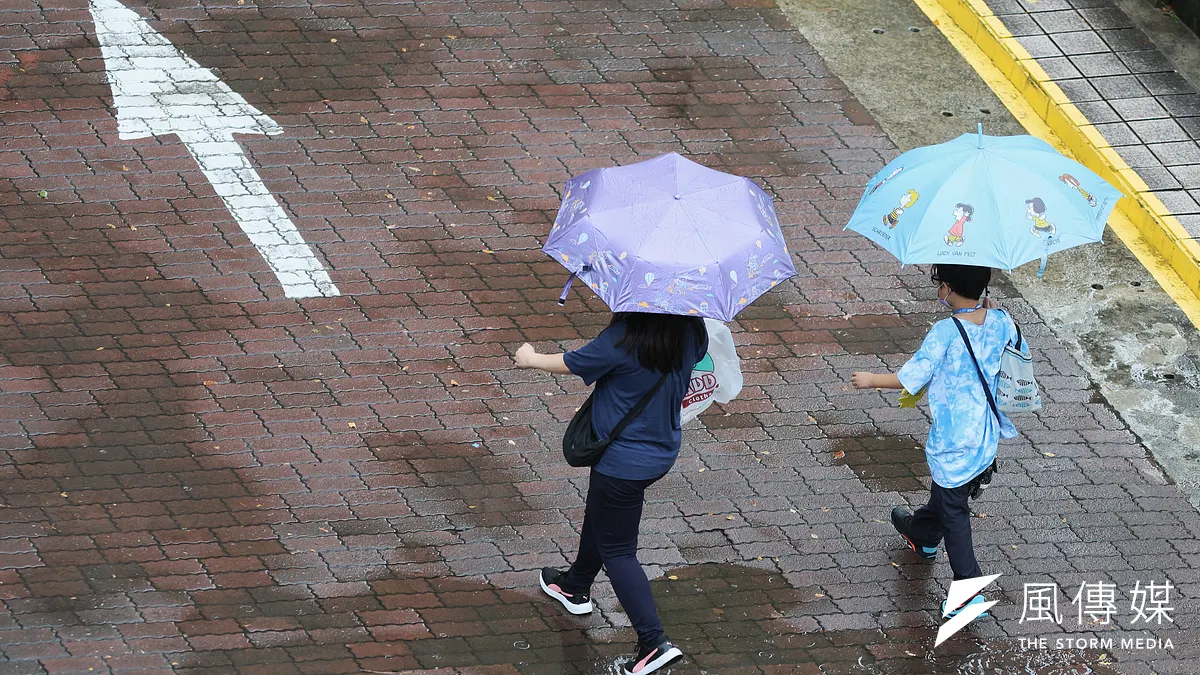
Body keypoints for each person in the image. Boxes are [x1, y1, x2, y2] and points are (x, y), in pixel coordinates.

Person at [514, 311, 707, 675]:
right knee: (604, 515)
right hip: (660, 450)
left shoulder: (625, 338)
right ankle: (575, 585)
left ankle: (653, 642)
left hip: (622, 461)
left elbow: (576, 362)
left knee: (619, 551)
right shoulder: (691, 329)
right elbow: (694, 358)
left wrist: (530, 359)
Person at [851, 264, 1017, 616]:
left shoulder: (946, 331)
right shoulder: (1001, 320)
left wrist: (871, 380)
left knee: (954, 507)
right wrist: (991, 310)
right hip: (985, 431)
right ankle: (923, 534)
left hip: (953, 437)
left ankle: (968, 590)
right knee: (948, 492)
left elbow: (913, 376)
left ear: (946, 288)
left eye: (939, 285)